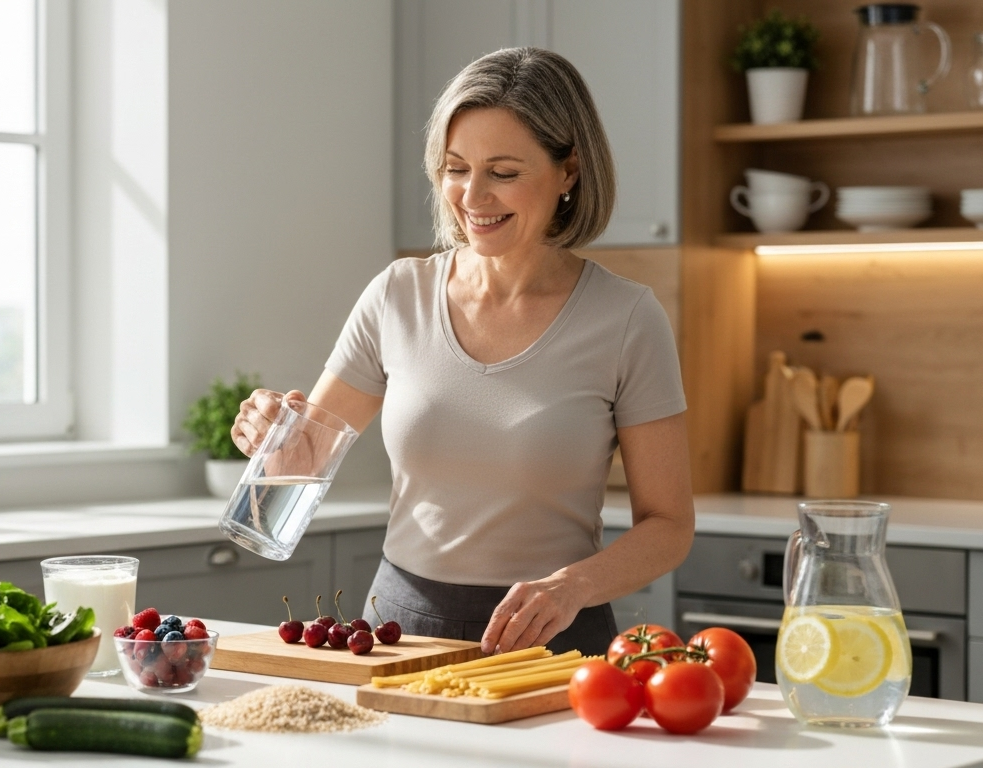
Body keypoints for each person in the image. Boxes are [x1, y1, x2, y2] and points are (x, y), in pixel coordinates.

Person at [231, 47, 694, 657]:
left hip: (551, 640)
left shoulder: (627, 318)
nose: (473, 196)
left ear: (570, 172)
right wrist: (268, 434)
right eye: (455, 168)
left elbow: (669, 526)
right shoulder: (398, 294)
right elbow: (297, 465)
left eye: (503, 172)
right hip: (398, 633)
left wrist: (570, 587)